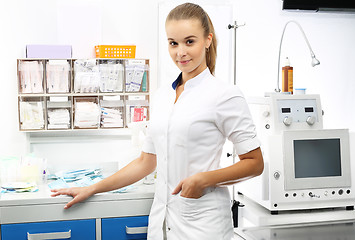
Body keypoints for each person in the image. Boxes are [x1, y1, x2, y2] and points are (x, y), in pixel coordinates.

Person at [51, 3, 264, 240]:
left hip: (204, 227)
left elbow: (254, 163)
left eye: (189, 41)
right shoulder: (162, 95)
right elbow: (145, 162)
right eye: (173, 43)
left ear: (207, 40)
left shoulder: (225, 95)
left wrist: (203, 179)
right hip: (162, 224)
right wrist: (91, 188)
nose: (180, 52)